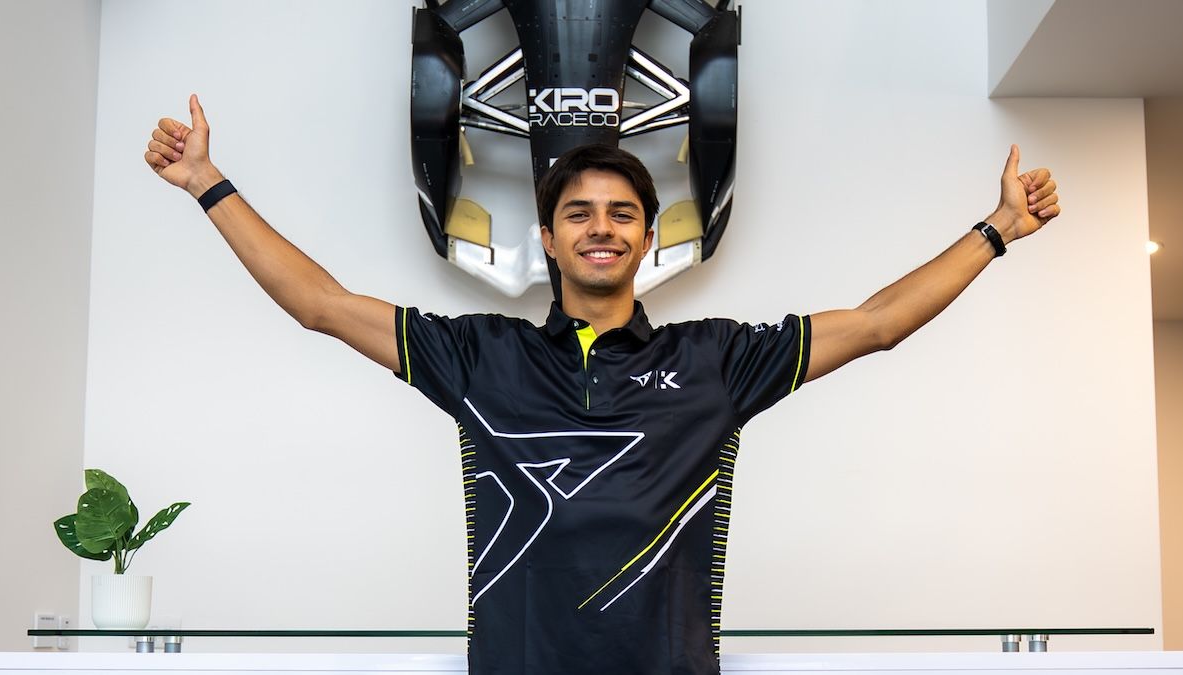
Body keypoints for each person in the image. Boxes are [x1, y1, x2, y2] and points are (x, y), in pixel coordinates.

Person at [144, 94, 1060, 675]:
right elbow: (321, 303)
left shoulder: (717, 360)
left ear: (647, 239)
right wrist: (207, 183)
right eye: (578, 212)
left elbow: (877, 323)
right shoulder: (481, 356)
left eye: (623, 213)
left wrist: (997, 230)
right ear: (548, 238)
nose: (601, 227)